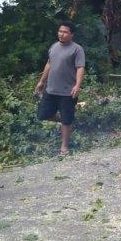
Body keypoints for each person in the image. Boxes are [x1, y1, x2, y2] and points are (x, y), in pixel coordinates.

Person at [34, 21, 86, 156]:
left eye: (65, 32)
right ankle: (65, 122)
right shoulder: (54, 47)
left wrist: (77, 85)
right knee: (43, 115)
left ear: (71, 34)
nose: (61, 34)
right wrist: (41, 82)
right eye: (60, 31)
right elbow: (49, 64)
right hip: (50, 89)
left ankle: (64, 147)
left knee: (66, 119)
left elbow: (80, 68)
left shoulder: (77, 49)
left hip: (67, 92)